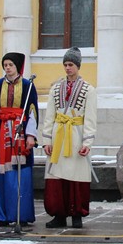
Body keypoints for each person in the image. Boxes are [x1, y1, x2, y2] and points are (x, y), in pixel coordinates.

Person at [41, 47, 97, 229]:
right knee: (56, 176)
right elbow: (49, 115)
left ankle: (76, 214)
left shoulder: (89, 90)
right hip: (58, 136)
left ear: (78, 66)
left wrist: (87, 142)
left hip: (76, 135)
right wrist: (47, 140)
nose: (67, 68)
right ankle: (59, 213)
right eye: (65, 64)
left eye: (71, 64)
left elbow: (90, 118)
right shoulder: (55, 89)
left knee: (77, 176)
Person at [0, 52, 38, 228]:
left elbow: (32, 112)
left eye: (10, 65)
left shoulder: (28, 86)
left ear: (18, 67)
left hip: (19, 135)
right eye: (5, 64)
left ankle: (20, 213)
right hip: (0, 136)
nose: (7, 67)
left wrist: (30, 135)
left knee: (19, 176)